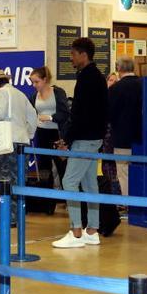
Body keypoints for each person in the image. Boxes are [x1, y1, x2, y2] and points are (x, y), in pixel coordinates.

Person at [52, 37, 108, 249]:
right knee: (89, 183)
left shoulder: (87, 78)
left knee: (69, 182)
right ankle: (92, 230)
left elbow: (80, 114)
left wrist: (67, 139)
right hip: (94, 138)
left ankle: (76, 231)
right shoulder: (97, 76)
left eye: (73, 53)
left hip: (85, 139)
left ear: (83, 54)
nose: (70, 57)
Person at [0, 69, 37, 229]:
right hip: (22, 142)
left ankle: (9, 219)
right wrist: (28, 134)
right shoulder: (21, 94)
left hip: (7, 142)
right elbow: (33, 116)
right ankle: (19, 216)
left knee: (6, 181)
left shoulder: (1, 93)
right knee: (20, 181)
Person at [28, 66, 70, 190]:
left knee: (62, 166)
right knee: (44, 168)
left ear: (45, 79)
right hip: (41, 133)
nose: (34, 85)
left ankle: (67, 198)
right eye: (32, 82)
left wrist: (50, 117)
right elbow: (30, 113)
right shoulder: (34, 96)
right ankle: (47, 201)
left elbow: (65, 114)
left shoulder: (58, 92)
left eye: (36, 82)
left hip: (57, 133)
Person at [107, 56, 142, 196]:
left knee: (123, 173)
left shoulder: (115, 89)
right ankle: (141, 203)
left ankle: (129, 205)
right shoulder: (144, 85)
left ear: (118, 68)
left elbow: (109, 114)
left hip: (122, 139)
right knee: (140, 171)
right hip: (143, 138)